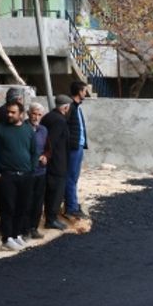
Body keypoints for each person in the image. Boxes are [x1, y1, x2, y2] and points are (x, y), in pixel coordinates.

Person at [0, 101, 36, 251]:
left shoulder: (28, 129)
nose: (9, 114)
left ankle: (16, 235)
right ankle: (6, 239)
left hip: (25, 175)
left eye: (13, 112)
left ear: (21, 114)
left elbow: (34, 151)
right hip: (7, 175)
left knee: (22, 207)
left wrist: (32, 168)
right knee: (8, 208)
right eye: (8, 112)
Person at [41, 95, 71, 230]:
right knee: (56, 191)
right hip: (57, 162)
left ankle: (50, 217)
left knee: (50, 190)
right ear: (65, 107)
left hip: (51, 161)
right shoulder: (59, 120)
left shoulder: (48, 116)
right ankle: (51, 219)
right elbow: (51, 141)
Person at [24, 103, 51, 239]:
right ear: (28, 113)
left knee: (38, 201)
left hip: (41, 171)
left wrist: (45, 156)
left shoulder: (43, 130)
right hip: (26, 172)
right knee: (26, 201)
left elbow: (48, 148)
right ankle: (24, 229)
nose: (36, 117)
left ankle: (33, 228)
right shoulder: (22, 128)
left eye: (39, 115)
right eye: (34, 113)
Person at [65, 81, 89, 219]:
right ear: (79, 92)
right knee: (71, 177)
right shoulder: (71, 108)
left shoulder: (77, 107)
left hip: (78, 146)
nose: (85, 93)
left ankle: (72, 205)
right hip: (73, 148)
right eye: (84, 90)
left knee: (74, 177)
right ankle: (71, 208)